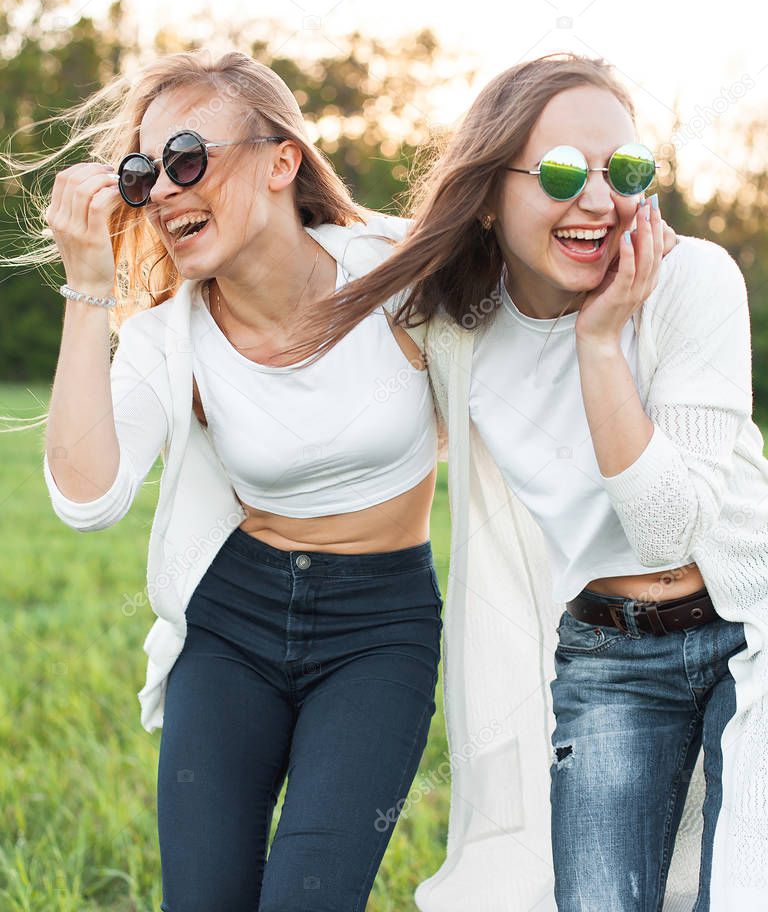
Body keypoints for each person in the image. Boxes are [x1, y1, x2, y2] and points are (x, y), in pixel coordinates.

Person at [283, 53, 768, 911]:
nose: (597, 201)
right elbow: (320, 257)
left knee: (737, 888)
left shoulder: (692, 283)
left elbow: (669, 528)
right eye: (558, 174)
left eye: (623, 172)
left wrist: (599, 341)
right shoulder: (453, 324)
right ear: (489, 193)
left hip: (749, 630)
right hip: (607, 658)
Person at [11, 49, 444, 912]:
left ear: (283, 161)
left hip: (380, 630)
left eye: (187, 159)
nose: (165, 190)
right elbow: (86, 498)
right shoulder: (169, 337)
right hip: (232, 623)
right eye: (145, 173)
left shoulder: (400, 272)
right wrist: (87, 288)